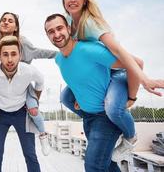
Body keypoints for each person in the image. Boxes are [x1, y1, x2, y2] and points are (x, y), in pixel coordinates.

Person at [61, 0, 164, 162]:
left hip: (117, 71)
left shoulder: (91, 23)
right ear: (63, 0)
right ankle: (93, 118)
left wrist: (135, 93)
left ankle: (129, 137)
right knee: (66, 98)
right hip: (97, 72)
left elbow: (119, 52)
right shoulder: (68, 22)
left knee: (113, 108)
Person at [44, 13, 141, 171]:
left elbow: (134, 64)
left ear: (68, 28)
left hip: (105, 117)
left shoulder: (88, 50)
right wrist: (78, 93)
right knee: (107, 164)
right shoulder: (59, 59)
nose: (56, 34)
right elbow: (78, 76)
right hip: (88, 118)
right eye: (51, 31)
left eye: (60, 28)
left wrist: (131, 97)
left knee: (94, 166)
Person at [0, 12, 56, 155]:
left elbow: (38, 52)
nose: (6, 22)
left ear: (16, 27)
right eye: (3, 20)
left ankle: (43, 134)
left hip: (22, 83)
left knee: (33, 108)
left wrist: (59, 54)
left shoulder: (23, 42)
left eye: (10, 21)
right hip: (1, 82)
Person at [0, 35, 43, 172]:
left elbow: (41, 82)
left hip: (21, 114)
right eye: (5, 54)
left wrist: (35, 100)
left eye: (13, 54)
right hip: (0, 116)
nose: (10, 59)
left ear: (20, 55)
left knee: (30, 154)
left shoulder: (29, 70)